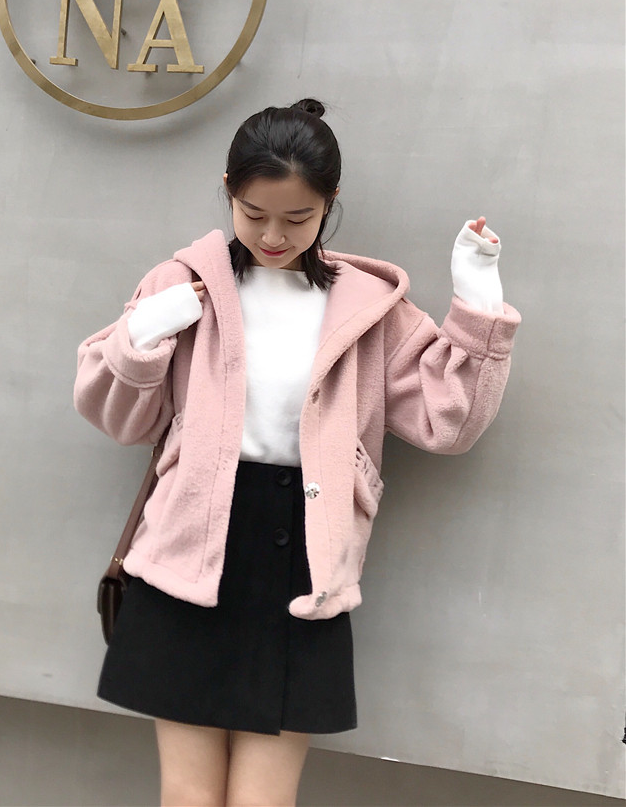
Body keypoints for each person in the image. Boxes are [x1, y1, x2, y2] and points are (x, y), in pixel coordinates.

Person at [73, 99, 521, 807]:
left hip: (305, 559)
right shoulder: (181, 286)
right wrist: (142, 338)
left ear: (329, 203)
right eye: (253, 214)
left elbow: (450, 422)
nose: (273, 235)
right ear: (228, 190)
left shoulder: (368, 308)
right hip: (190, 550)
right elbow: (119, 418)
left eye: (298, 217)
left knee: (264, 801)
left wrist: (477, 304)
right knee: (188, 796)